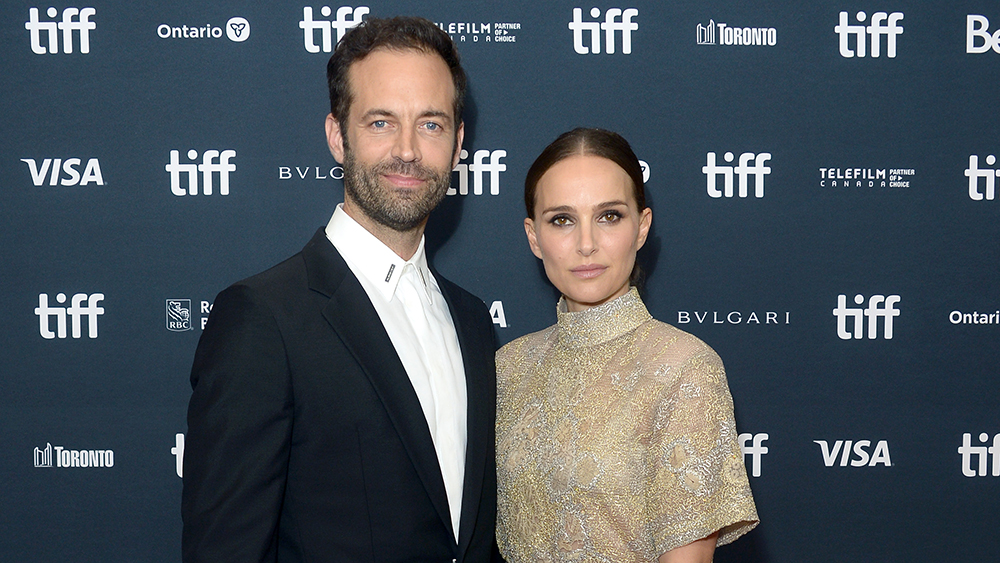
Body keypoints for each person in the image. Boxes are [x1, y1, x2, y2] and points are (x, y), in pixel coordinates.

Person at [181, 17, 497, 563]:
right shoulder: (263, 320)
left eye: (431, 124)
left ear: (458, 142)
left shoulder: (471, 323)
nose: (407, 150)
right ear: (336, 136)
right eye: (380, 123)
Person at [495, 128, 758, 563]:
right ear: (533, 237)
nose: (586, 244)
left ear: (642, 227)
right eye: (562, 219)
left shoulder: (685, 368)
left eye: (609, 216)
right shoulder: (509, 366)